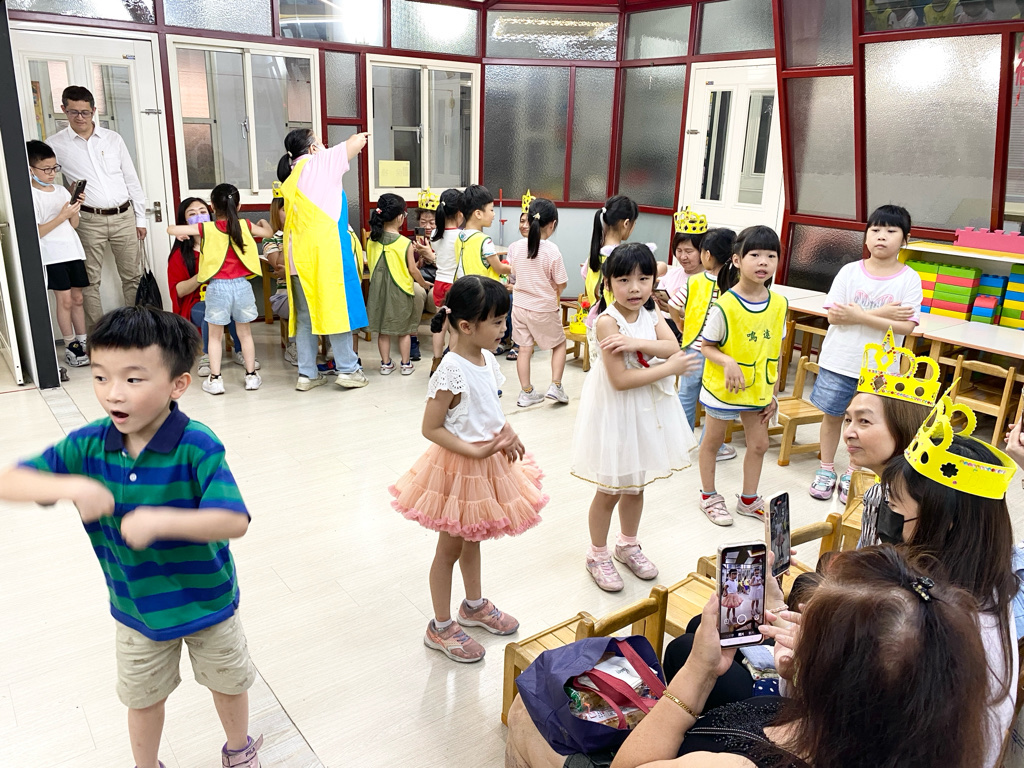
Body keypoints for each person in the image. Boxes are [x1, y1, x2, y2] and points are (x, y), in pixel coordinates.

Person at [0, 306, 262, 768]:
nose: (112, 393)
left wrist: (160, 521)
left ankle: (238, 750)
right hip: (136, 608)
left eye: (133, 379)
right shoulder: (88, 444)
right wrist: (72, 486)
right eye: (101, 377)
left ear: (178, 384)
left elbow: (233, 520)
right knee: (142, 698)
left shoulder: (197, 445)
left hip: (208, 602)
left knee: (228, 682)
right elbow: (10, 480)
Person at [505, 546, 991, 768]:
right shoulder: (907, 739)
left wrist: (698, 671)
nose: (797, 627)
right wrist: (801, 677)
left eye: (813, 628)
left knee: (526, 710)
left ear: (835, 682)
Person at [389, 276, 546, 663]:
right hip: (460, 468)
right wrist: (474, 453)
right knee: (449, 550)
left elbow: (488, 406)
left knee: (472, 538)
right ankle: (440, 626)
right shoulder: (450, 370)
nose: (504, 328)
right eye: (497, 322)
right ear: (466, 326)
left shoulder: (487, 359)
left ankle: (473, 605)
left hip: (487, 461)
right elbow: (431, 428)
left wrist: (507, 430)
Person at [878, 395, 1019, 767]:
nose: (888, 516)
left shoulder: (929, 619)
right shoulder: (987, 582)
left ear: (945, 520)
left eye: (895, 507)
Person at [571, 244, 698, 592]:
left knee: (636, 484)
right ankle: (597, 554)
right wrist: (668, 368)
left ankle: (627, 544)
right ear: (608, 283)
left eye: (643, 279)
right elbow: (621, 380)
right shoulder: (607, 321)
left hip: (644, 409)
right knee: (610, 488)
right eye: (624, 280)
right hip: (617, 409)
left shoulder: (651, 311)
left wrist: (634, 344)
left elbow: (672, 346)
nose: (635, 288)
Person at [809, 204, 922, 504]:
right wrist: (884, 313)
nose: (881, 236)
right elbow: (834, 316)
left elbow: (906, 326)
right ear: (866, 235)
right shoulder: (849, 271)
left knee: (867, 424)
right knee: (833, 417)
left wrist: (858, 315)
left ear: (905, 239)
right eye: (875, 229)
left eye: (891, 230)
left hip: (879, 369)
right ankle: (826, 468)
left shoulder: (909, 279)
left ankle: (854, 472)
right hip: (839, 360)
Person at [697, 226, 786, 526]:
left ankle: (749, 500)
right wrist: (727, 361)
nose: (763, 262)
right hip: (724, 389)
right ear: (736, 260)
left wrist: (773, 393)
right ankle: (709, 496)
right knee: (712, 443)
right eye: (755, 255)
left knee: (760, 445)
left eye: (771, 256)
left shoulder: (779, 304)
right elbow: (706, 346)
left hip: (758, 389)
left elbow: (775, 350)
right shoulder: (725, 305)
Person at [276, 128, 370, 391]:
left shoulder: (292, 176)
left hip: (297, 258)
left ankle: (306, 375)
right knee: (336, 310)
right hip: (325, 255)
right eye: (319, 140)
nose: (324, 145)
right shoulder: (318, 163)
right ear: (312, 147)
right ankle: (348, 370)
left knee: (305, 318)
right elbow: (355, 142)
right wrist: (362, 136)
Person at [48, 85, 146, 330]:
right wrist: (67, 195)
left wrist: (141, 218)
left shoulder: (113, 139)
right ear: (64, 110)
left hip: (124, 215)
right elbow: (45, 179)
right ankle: (99, 335)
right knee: (90, 282)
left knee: (133, 277)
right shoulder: (55, 144)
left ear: (93, 110)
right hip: (89, 220)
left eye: (85, 112)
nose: (80, 117)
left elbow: (131, 178)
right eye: (73, 112)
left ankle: (138, 330)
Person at [166, 184, 273, 395]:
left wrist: (180, 233)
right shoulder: (245, 225)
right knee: (245, 334)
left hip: (217, 288)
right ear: (238, 206)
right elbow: (268, 232)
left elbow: (171, 229)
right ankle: (251, 376)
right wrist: (262, 221)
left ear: (212, 207)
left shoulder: (206, 228)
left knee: (214, 337)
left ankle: (215, 380)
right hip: (242, 286)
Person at [667, 228, 737, 461]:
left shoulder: (695, 281)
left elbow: (673, 305)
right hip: (720, 354)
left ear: (706, 255)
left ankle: (680, 443)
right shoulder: (735, 285)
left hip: (693, 350)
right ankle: (713, 447)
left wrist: (680, 324)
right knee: (715, 403)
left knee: (686, 395)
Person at [166, 197, 250, 377]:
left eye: (203, 212)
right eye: (192, 213)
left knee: (235, 306)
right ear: (184, 221)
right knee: (209, 311)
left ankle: (241, 351)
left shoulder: (224, 243)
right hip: (197, 303)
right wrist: (203, 274)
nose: (199, 216)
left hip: (225, 295)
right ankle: (207, 355)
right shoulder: (180, 254)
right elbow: (178, 290)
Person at [27, 139, 90, 367]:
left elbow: (74, 224)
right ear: (31, 169)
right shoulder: (30, 195)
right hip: (52, 255)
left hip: (73, 250)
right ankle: (70, 344)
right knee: (64, 301)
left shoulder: (62, 190)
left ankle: (83, 341)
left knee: (78, 298)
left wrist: (74, 210)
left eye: (55, 168)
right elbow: (37, 232)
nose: (52, 173)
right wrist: (62, 216)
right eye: (46, 169)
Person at [507, 198, 569, 407]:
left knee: (524, 349)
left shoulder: (516, 247)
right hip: (543, 308)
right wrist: (556, 289)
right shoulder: (552, 251)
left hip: (519, 306)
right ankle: (556, 386)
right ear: (552, 224)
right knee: (559, 344)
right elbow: (561, 282)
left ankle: (526, 392)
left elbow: (514, 274)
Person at [366, 193, 433, 376]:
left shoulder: (371, 241)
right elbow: (413, 270)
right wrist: (423, 284)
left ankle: (386, 364)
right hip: (400, 291)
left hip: (378, 292)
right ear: (399, 217)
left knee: (383, 331)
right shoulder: (405, 243)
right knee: (404, 331)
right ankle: (405, 364)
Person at [430, 188, 465, 375]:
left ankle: (436, 361)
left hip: (439, 284)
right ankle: (451, 363)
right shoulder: (462, 236)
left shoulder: (435, 234)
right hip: (456, 285)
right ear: (460, 213)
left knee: (440, 325)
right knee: (455, 329)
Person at [585, 195, 639, 311]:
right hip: (615, 318)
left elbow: (585, 275)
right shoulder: (623, 257)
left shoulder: (594, 255)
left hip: (594, 316)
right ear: (626, 223)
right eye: (634, 223)